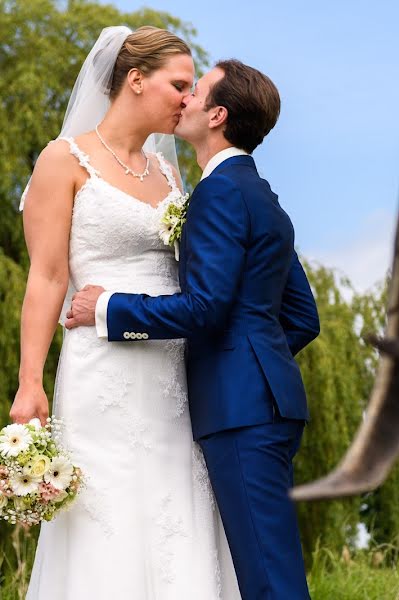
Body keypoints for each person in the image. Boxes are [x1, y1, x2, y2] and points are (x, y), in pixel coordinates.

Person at [66, 58, 320, 599]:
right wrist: (251, 359)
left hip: (240, 412)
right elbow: (301, 316)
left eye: (196, 91)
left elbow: (205, 307)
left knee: (268, 581)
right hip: (266, 406)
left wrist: (108, 308)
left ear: (217, 115)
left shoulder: (218, 194)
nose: (184, 100)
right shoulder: (261, 196)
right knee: (266, 567)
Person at [11, 26, 242, 598]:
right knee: (104, 512)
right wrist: (28, 382)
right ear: (135, 79)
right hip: (100, 371)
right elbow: (46, 277)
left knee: (175, 504)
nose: (190, 101)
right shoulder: (63, 161)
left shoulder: (168, 174)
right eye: (180, 86)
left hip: (171, 372)